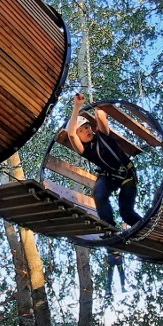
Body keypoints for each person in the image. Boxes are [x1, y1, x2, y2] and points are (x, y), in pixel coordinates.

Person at [67, 93, 142, 233]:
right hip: (108, 177)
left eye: (87, 127)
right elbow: (71, 134)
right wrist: (77, 107)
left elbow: (101, 116)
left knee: (126, 214)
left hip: (126, 175)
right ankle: (109, 229)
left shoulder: (103, 135)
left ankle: (145, 230)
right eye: (81, 131)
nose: (86, 131)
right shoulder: (85, 150)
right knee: (99, 194)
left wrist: (97, 108)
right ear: (78, 136)